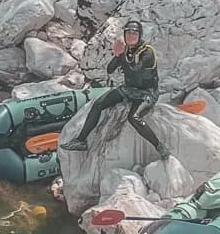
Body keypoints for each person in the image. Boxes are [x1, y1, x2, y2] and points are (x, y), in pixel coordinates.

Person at [63, 20, 164, 154]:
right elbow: (110, 69)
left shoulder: (147, 52)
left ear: (140, 35)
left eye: (134, 33)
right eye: (128, 33)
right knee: (98, 104)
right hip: (130, 88)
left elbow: (137, 74)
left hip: (147, 92)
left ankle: (159, 146)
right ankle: (80, 141)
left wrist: (121, 56)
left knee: (134, 118)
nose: (131, 36)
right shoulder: (126, 49)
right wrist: (118, 55)